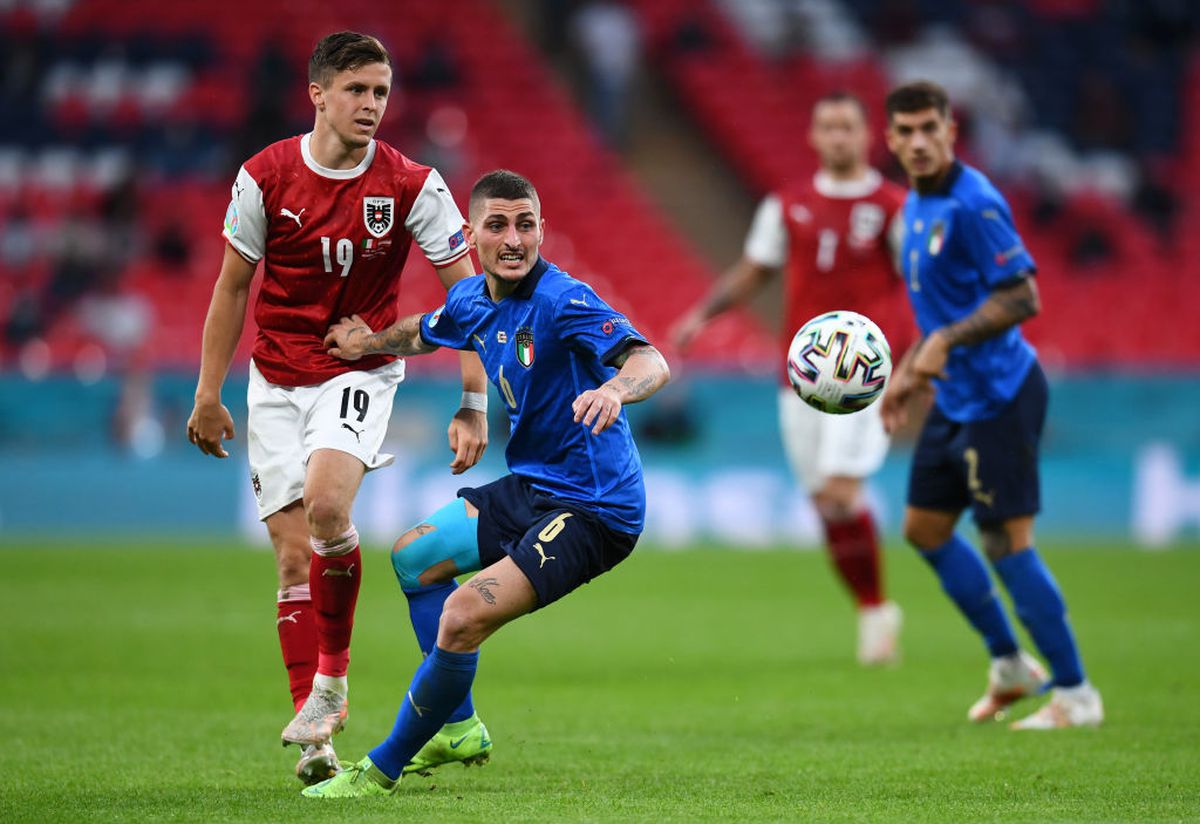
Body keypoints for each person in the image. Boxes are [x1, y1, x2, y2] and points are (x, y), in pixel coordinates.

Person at [301, 169, 670, 798]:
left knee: (462, 615)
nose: (513, 238)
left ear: (542, 231)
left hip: (595, 508)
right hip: (534, 485)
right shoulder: (474, 298)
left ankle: (380, 769)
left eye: (525, 224)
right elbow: (425, 329)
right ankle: (458, 726)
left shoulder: (564, 300)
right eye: (497, 225)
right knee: (416, 557)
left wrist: (613, 388)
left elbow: (649, 359)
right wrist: (365, 343)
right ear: (472, 234)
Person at [185, 31, 490, 783]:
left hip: (358, 371)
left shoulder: (414, 184)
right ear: (317, 94)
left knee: (326, 508)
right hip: (274, 376)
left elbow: (470, 296)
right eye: (356, 90)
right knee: (291, 556)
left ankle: (332, 679)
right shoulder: (265, 177)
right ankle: (317, 745)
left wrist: (472, 399)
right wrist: (207, 391)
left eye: (381, 91)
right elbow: (231, 287)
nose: (371, 105)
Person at [880, 80, 1103, 729]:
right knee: (923, 529)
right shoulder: (915, 210)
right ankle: (1010, 664)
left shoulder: (974, 203)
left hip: (1002, 396)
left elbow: (1023, 296)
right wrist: (907, 370)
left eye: (930, 128)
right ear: (891, 140)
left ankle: (1075, 694)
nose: (919, 142)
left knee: (1007, 545)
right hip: (954, 397)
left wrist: (944, 340)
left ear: (952, 130)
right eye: (906, 131)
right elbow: (943, 309)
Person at [673, 91, 907, 665]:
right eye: (827, 127)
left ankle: (875, 612)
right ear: (813, 137)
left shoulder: (895, 204)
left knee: (841, 491)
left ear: (866, 135)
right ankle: (874, 608)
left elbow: (916, 284)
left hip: (863, 373)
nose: (837, 137)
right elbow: (755, 271)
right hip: (799, 374)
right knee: (825, 504)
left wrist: (907, 356)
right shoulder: (788, 204)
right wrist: (703, 314)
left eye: (847, 127)